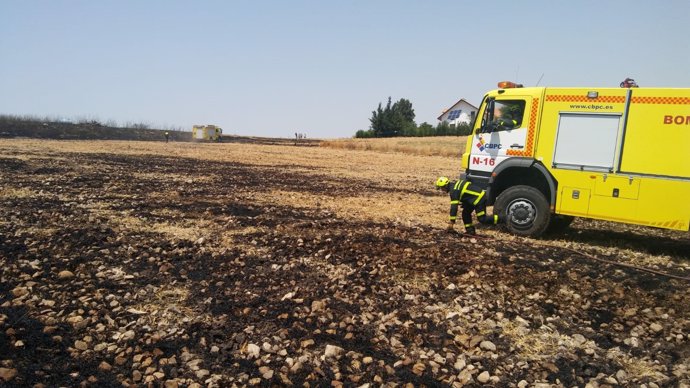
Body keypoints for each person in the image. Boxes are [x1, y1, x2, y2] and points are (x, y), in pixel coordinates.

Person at [435, 176, 502, 235]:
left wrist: (451, 222)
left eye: (441, 188)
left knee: (482, 219)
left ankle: (502, 219)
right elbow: (466, 193)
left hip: (479, 198)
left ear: (445, 186)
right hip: (473, 199)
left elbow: (454, 208)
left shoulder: (453, 191)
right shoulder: (454, 185)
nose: (442, 190)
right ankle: (470, 231)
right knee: (465, 213)